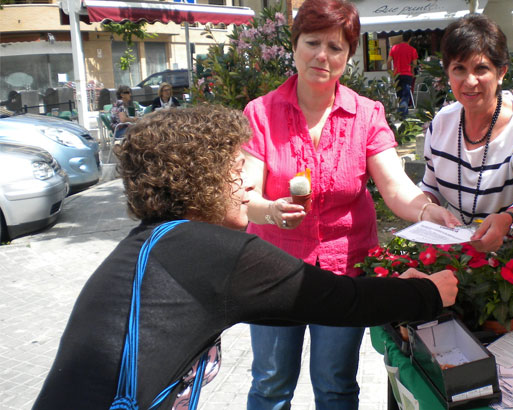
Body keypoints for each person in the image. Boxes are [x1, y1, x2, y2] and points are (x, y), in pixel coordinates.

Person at [32, 105, 458, 409]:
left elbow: (301, 304)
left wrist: (395, 289)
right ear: (199, 180)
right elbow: (340, 301)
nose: (247, 186)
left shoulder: (157, 242)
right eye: (235, 171)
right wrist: (428, 292)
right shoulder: (211, 252)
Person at [240, 0, 459, 408]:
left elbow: (395, 188)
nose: (322, 55)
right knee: (271, 383)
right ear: (294, 45)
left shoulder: (366, 114)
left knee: (336, 381)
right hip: (274, 266)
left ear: (349, 57)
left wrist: (430, 211)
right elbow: (246, 194)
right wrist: (271, 210)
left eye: (336, 47)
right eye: (312, 42)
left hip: (344, 271)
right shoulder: (261, 114)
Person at [420, 14, 513, 253]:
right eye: (459, 69)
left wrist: (507, 221)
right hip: (458, 251)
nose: (470, 81)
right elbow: (430, 187)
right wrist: (426, 209)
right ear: (448, 73)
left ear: (501, 72)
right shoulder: (441, 123)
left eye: (481, 69)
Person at [387, 31, 418, 116]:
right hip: (407, 75)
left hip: (397, 74)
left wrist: (390, 71)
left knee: (399, 95)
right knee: (406, 94)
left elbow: (389, 61)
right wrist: (412, 72)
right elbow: (414, 64)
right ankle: (403, 113)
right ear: (410, 39)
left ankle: (402, 112)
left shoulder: (394, 48)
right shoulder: (413, 50)